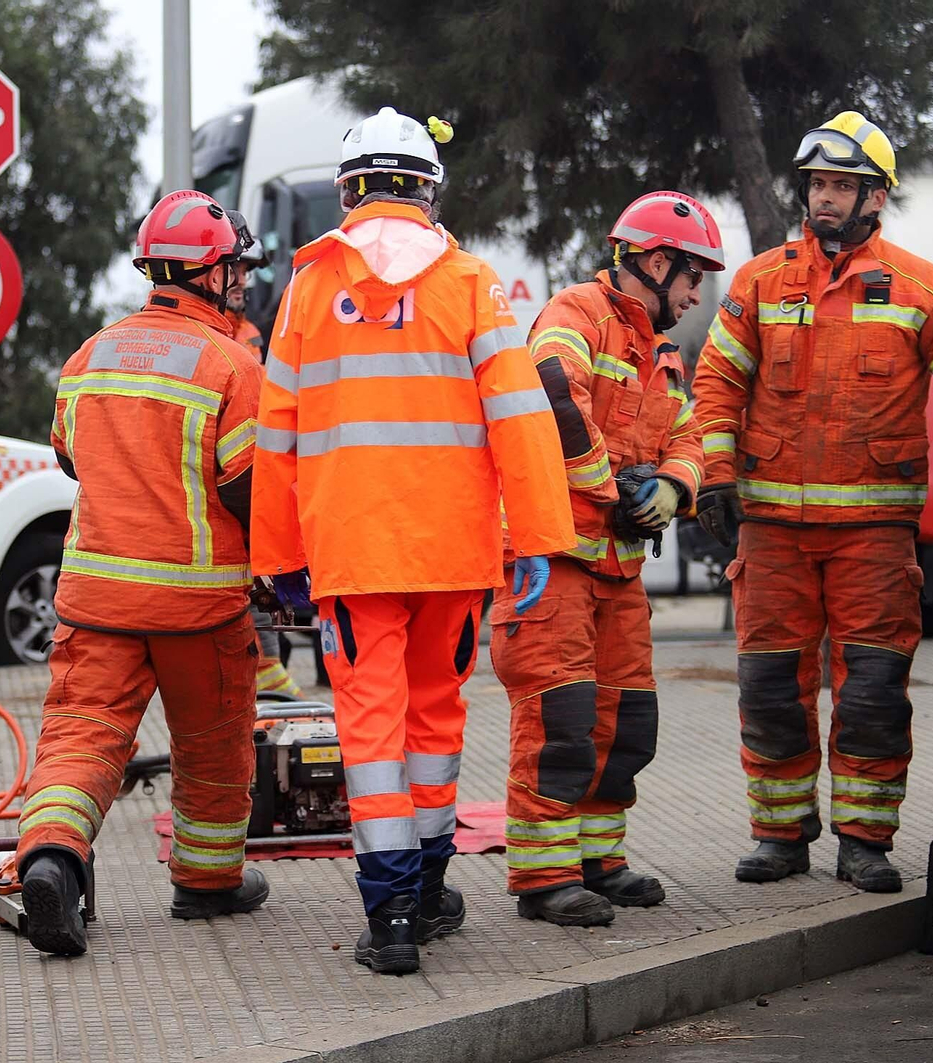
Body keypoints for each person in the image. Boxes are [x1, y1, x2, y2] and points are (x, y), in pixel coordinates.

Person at [251, 107, 575, 973]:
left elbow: (274, 433)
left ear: (350, 190)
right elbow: (521, 418)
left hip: (353, 556)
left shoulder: (310, 290)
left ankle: (390, 915)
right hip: (457, 555)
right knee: (435, 721)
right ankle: (429, 890)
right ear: (428, 189)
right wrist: (538, 536)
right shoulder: (472, 282)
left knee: (371, 730)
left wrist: (277, 560)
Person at [690, 112, 933, 892]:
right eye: (818, 183)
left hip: (874, 536)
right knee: (769, 686)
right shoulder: (760, 281)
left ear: (875, 197)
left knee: (872, 692)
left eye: (842, 186)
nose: (825, 199)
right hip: (775, 535)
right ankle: (780, 835)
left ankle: (865, 840)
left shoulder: (921, 284)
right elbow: (717, 384)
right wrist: (715, 476)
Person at [15, 189, 269, 955]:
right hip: (201, 609)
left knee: (80, 741)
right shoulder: (233, 364)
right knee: (215, 746)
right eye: (237, 270)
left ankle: (53, 860)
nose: (244, 283)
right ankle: (206, 882)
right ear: (210, 273)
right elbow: (248, 488)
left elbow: (69, 456)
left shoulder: (90, 354)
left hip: (96, 602)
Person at [494, 191, 723, 925]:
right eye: (692, 279)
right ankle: (543, 877)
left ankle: (599, 859)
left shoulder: (662, 354)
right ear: (656, 262)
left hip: (618, 568)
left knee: (625, 722)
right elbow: (552, 395)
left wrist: (671, 485)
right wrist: (613, 488)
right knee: (559, 719)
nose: (694, 298)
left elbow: (689, 438)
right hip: (555, 559)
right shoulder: (575, 315)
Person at [225, 230, 307, 697]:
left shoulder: (251, 333)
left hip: (254, 481)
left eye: (248, 271)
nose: (243, 280)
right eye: (235, 268)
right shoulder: (210, 336)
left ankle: (271, 678)